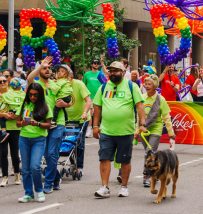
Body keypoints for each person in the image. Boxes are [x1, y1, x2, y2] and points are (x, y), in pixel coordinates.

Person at [92, 61, 146, 199]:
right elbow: (97, 107)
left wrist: (142, 124)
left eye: (116, 70)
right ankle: (104, 187)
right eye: (111, 70)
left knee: (125, 160)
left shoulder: (131, 86)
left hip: (125, 131)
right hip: (107, 131)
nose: (113, 73)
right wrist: (95, 126)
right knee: (104, 158)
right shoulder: (104, 87)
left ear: (123, 72)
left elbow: (140, 106)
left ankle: (124, 187)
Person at [27, 56, 72, 194]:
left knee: (52, 153)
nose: (47, 70)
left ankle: (49, 182)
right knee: (47, 155)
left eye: (48, 68)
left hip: (57, 123)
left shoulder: (55, 84)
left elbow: (69, 100)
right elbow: (28, 79)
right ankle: (56, 177)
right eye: (44, 68)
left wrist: (66, 104)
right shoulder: (36, 85)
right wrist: (41, 65)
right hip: (42, 123)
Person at [16, 82, 53, 203]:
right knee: (25, 168)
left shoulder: (45, 107)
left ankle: (39, 190)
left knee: (35, 166)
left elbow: (48, 125)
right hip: (24, 139)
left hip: (39, 139)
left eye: (36, 95)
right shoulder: (24, 105)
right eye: (30, 95)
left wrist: (37, 124)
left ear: (40, 95)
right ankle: (28, 193)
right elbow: (17, 122)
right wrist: (22, 123)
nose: (32, 97)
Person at [137, 74, 175, 187]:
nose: (147, 86)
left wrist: (171, 132)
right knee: (150, 153)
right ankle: (155, 171)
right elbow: (138, 117)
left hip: (156, 129)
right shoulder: (142, 98)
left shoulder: (160, 99)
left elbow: (166, 118)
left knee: (148, 152)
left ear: (155, 86)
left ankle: (147, 177)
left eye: (149, 84)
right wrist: (136, 131)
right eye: (146, 84)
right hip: (144, 129)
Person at [0, 76, 23, 187]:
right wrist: (3, 115)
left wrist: (15, 116)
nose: (3, 83)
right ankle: (5, 177)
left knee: (14, 153)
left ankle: (17, 175)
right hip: (1, 128)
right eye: (0, 82)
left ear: (8, 83)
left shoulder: (14, 93)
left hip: (14, 127)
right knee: (3, 152)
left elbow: (21, 107)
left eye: (5, 81)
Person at [64, 68, 92, 173]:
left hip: (81, 119)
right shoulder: (60, 86)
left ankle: (79, 166)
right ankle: (72, 163)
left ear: (71, 77)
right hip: (67, 119)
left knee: (79, 143)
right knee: (68, 142)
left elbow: (88, 101)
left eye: (65, 77)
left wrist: (85, 112)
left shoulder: (79, 84)